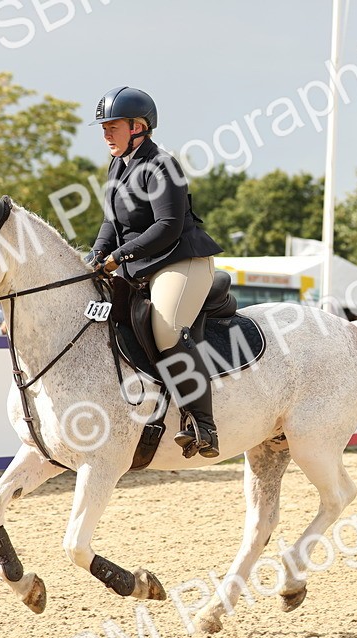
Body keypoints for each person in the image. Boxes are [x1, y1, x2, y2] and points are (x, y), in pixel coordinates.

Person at [88, 86, 224, 458]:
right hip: (140, 263)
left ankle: (203, 425)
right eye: (103, 128)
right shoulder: (118, 165)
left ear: (139, 127)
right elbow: (110, 220)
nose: (106, 135)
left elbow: (167, 225)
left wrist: (118, 256)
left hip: (181, 260)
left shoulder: (162, 165)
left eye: (113, 126)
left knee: (166, 329)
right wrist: (97, 253)